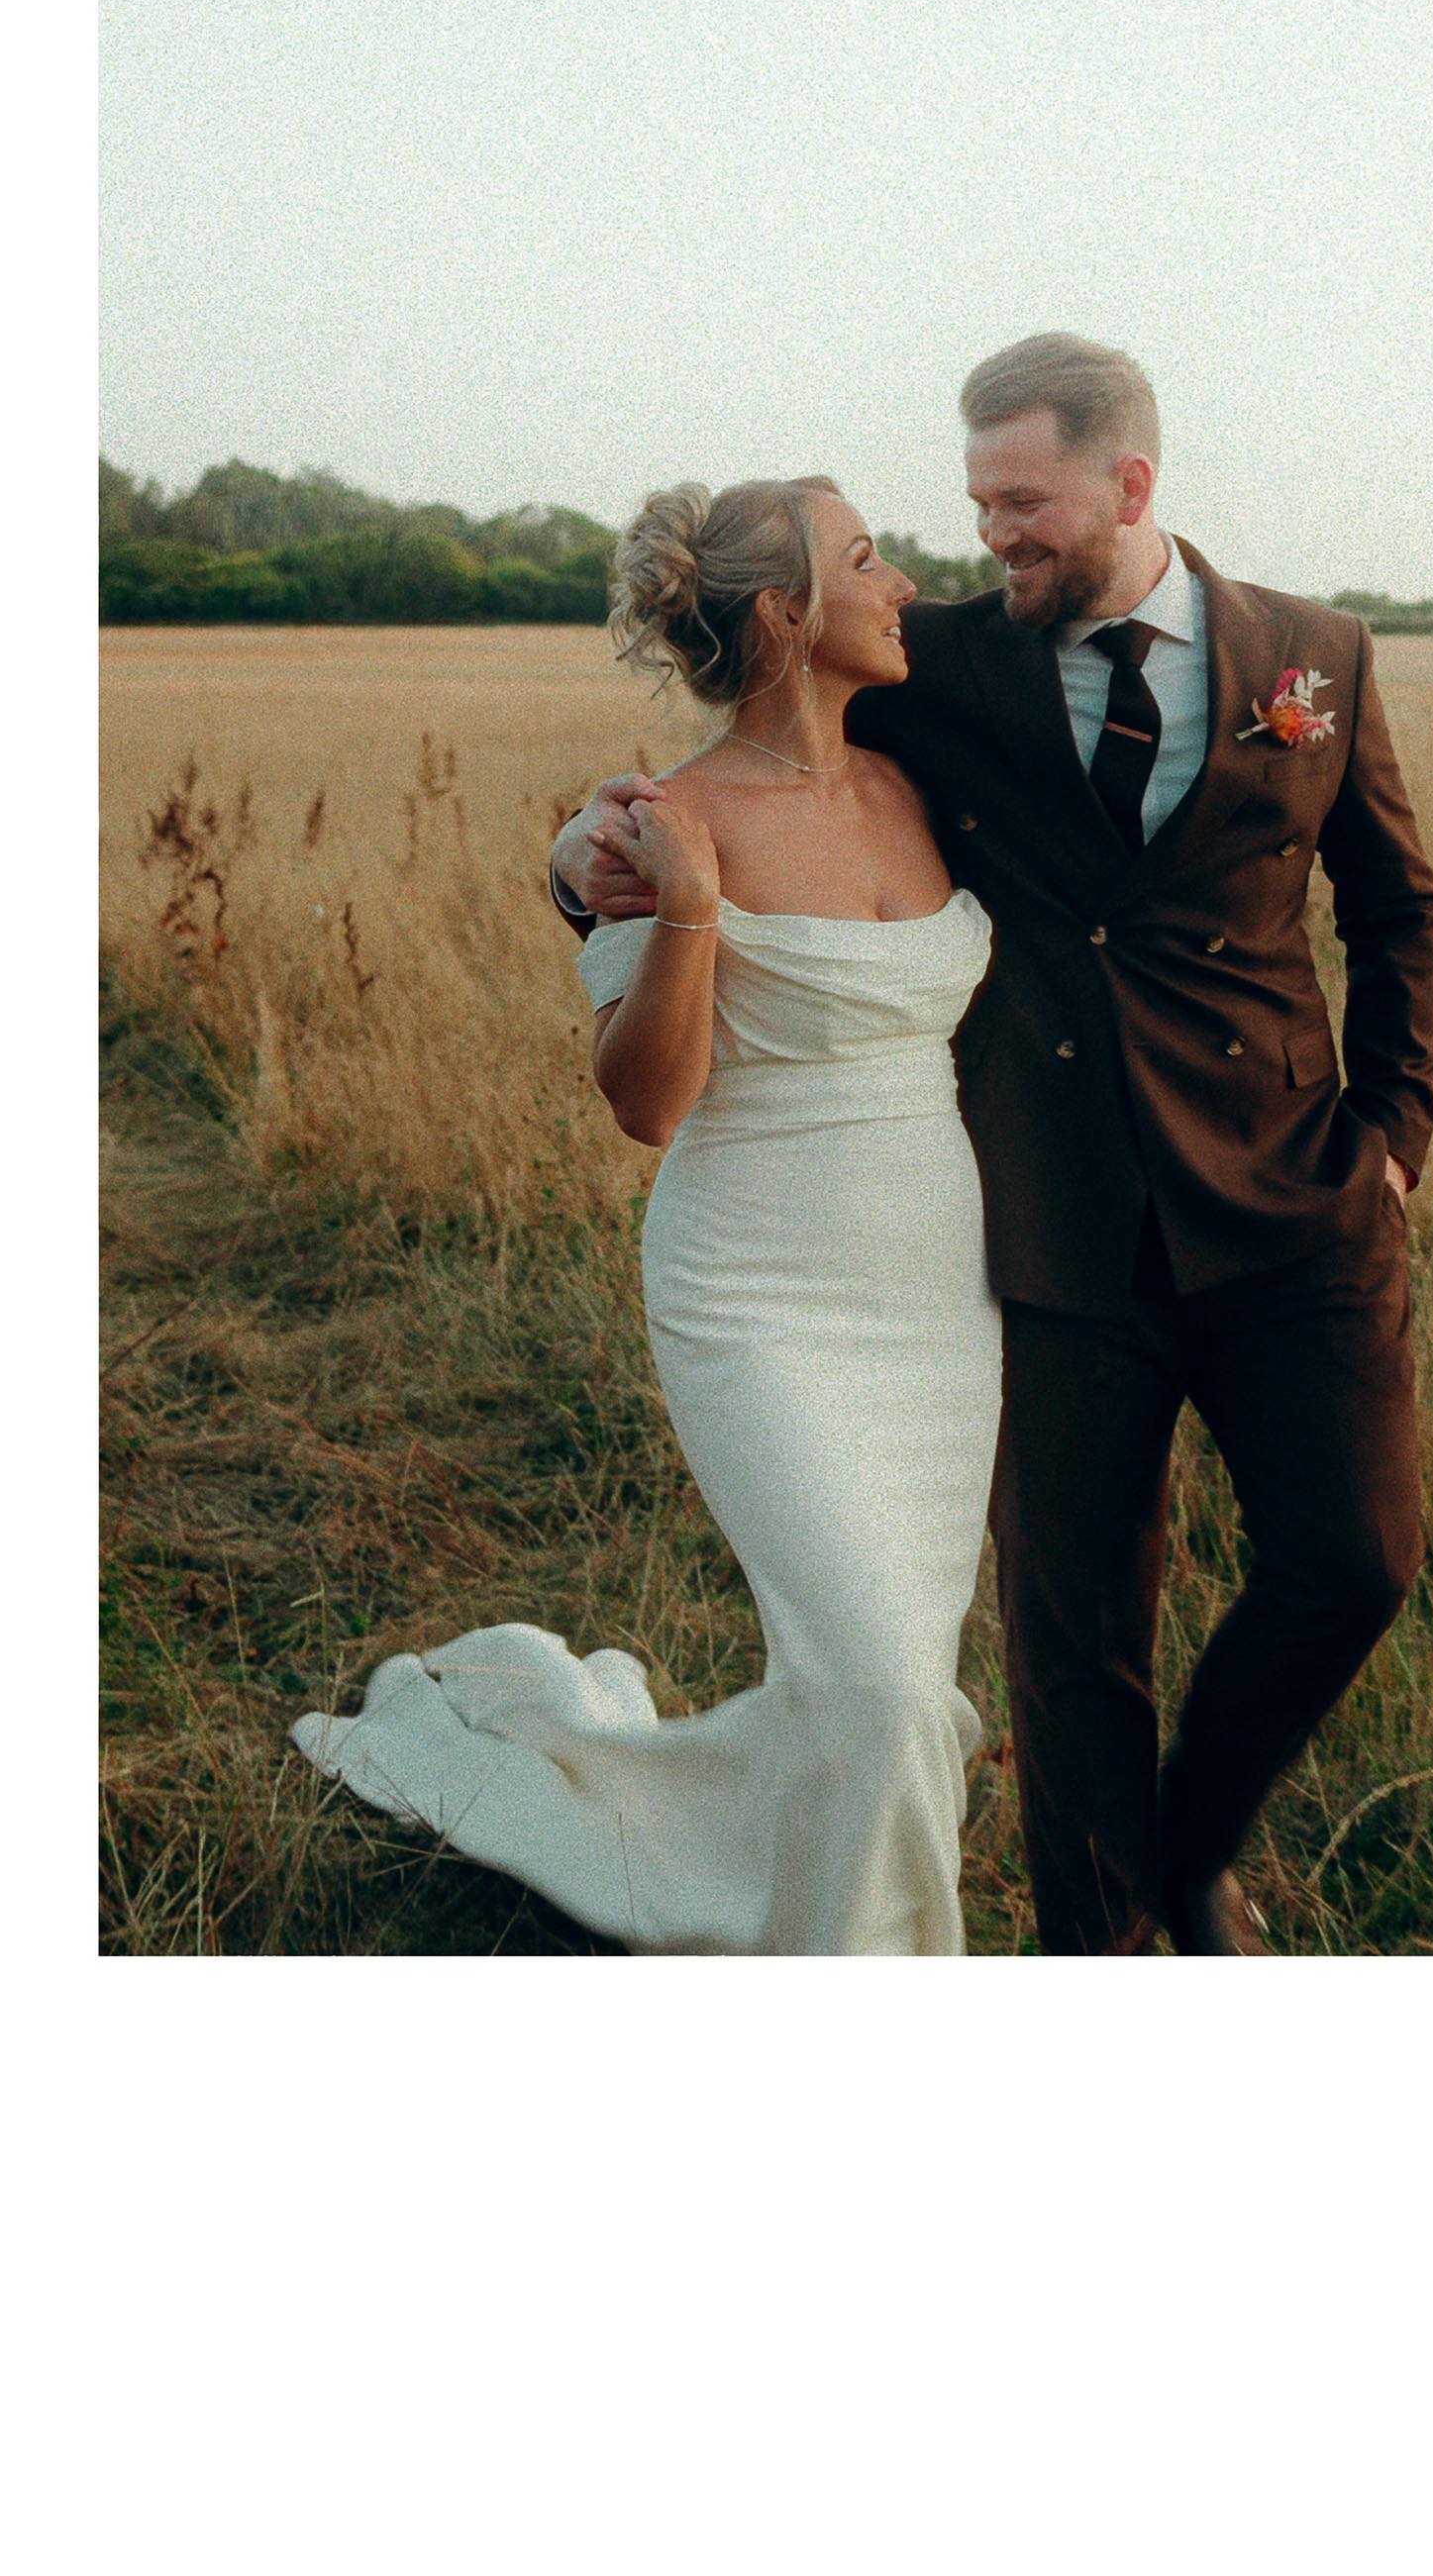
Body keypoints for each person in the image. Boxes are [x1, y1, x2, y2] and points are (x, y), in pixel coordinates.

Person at [557, 334, 1433, 1954]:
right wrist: (585, 855)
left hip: (1295, 1208)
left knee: (1359, 1556)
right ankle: (1096, 1946)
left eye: (1024, 502)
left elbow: (1398, 909)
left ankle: (1189, 1849)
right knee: (1071, 1632)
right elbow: (748, 766)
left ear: (1131, 483)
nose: (992, 540)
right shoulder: (944, 663)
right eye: (973, 506)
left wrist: (1394, 1131)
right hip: (1046, 1227)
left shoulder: (1317, 659)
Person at [293, 478, 1003, 1954]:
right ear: (787, 616)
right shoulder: (664, 826)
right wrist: (681, 904)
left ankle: (829, 1895)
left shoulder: (924, 771)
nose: (904, 582)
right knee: (877, 1683)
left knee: (885, 1679)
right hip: (757, 1291)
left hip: (940, 1297)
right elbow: (646, 1104)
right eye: (867, 559)